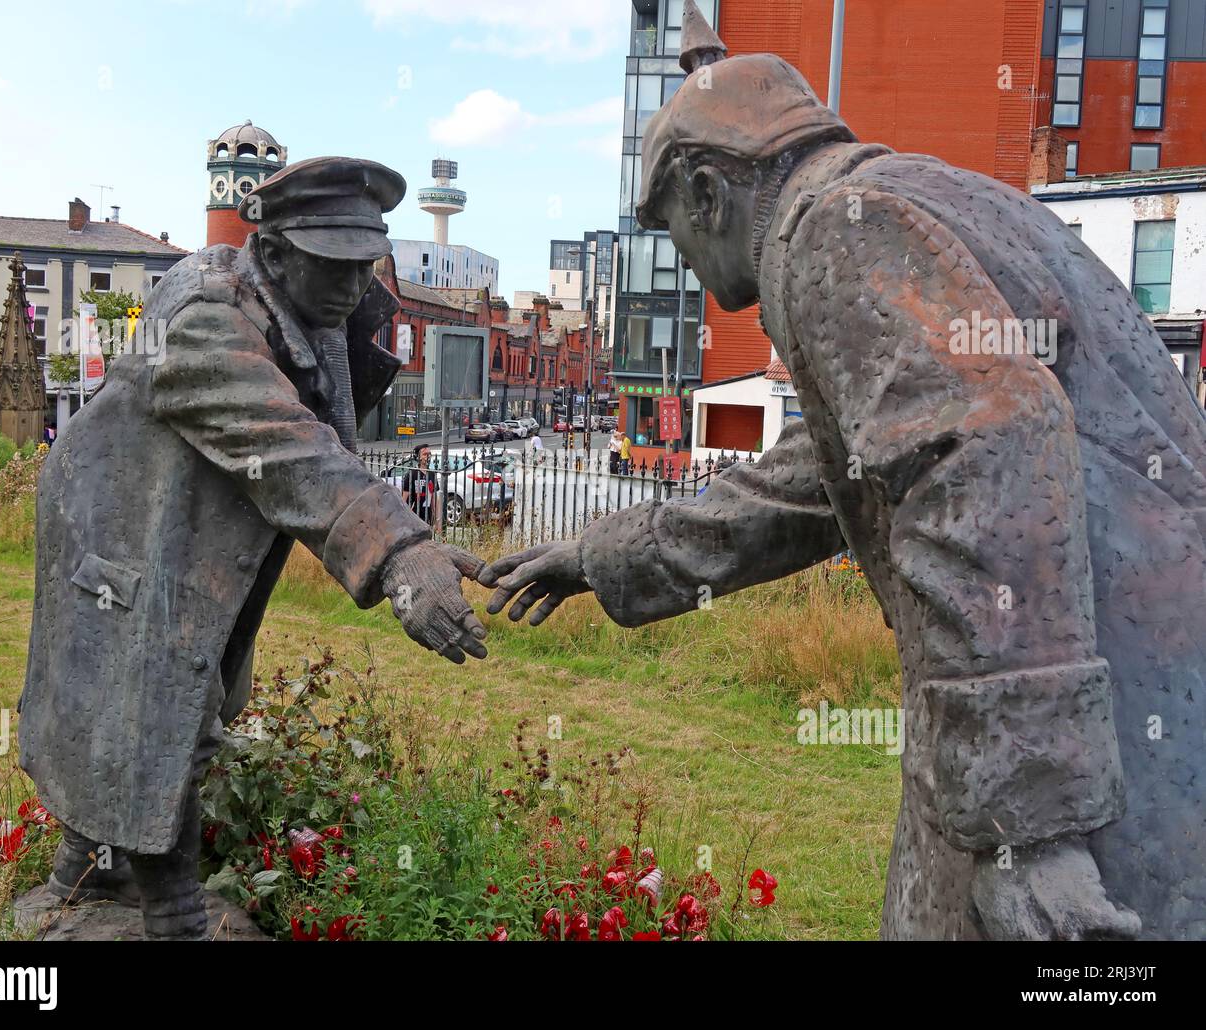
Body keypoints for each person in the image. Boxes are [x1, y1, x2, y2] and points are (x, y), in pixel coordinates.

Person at [481, 0, 1206, 941]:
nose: (687, 266)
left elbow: (989, 454)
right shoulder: (933, 196)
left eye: (673, 232)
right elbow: (816, 480)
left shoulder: (837, 231)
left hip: (1084, 761)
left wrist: (1030, 826)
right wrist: (606, 555)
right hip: (1111, 714)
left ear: (708, 193)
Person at [20, 156, 488, 940]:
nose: (350, 287)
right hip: (121, 532)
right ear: (272, 255)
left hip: (190, 533)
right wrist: (400, 553)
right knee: (158, 711)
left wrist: (362, 322)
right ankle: (171, 911)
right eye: (330, 265)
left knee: (152, 705)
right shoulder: (206, 313)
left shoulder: (309, 310)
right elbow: (290, 444)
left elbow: (329, 429)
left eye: (361, 266)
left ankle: (78, 877)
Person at [400, 443, 438, 525]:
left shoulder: (432, 474)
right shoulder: (412, 474)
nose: (428, 457)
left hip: (428, 518)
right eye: (425, 454)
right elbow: (404, 499)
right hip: (414, 518)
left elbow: (434, 500)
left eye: (429, 454)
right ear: (418, 457)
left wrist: (437, 521)